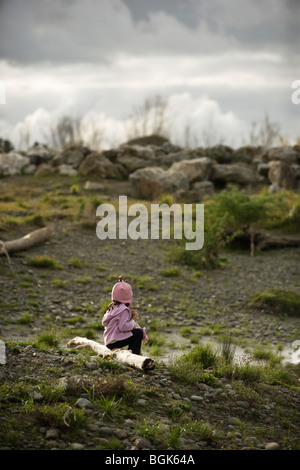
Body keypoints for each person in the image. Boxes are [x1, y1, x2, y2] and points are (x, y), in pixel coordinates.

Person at [102, 275, 148, 355]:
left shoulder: (112, 307)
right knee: (138, 333)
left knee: (134, 333)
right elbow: (123, 327)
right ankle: (135, 355)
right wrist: (133, 320)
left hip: (108, 341)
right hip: (115, 341)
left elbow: (104, 323)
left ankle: (131, 352)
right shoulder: (124, 310)